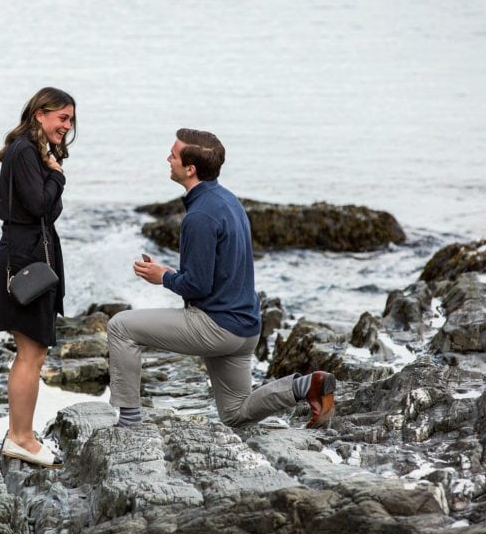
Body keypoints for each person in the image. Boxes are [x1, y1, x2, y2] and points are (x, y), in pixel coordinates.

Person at [107, 128, 336, 430]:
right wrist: (170, 274)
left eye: (173, 155)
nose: (168, 158)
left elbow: (197, 286)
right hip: (245, 327)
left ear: (190, 169)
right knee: (235, 414)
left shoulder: (199, 216)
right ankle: (306, 386)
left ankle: (129, 421)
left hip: (216, 327)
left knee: (120, 327)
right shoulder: (229, 201)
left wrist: (163, 276)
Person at [0, 87, 76, 468]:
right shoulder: (25, 151)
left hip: (28, 252)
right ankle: (20, 438)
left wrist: (52, 175)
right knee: (31, 352)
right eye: (62, 118)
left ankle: (22, 434)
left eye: (71, 120)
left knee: (32, 351)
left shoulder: (33, 151)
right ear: (40, 114)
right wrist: (57, 177)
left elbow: (45, 212)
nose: (67, 127)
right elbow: (40, 205)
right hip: (24, 258)